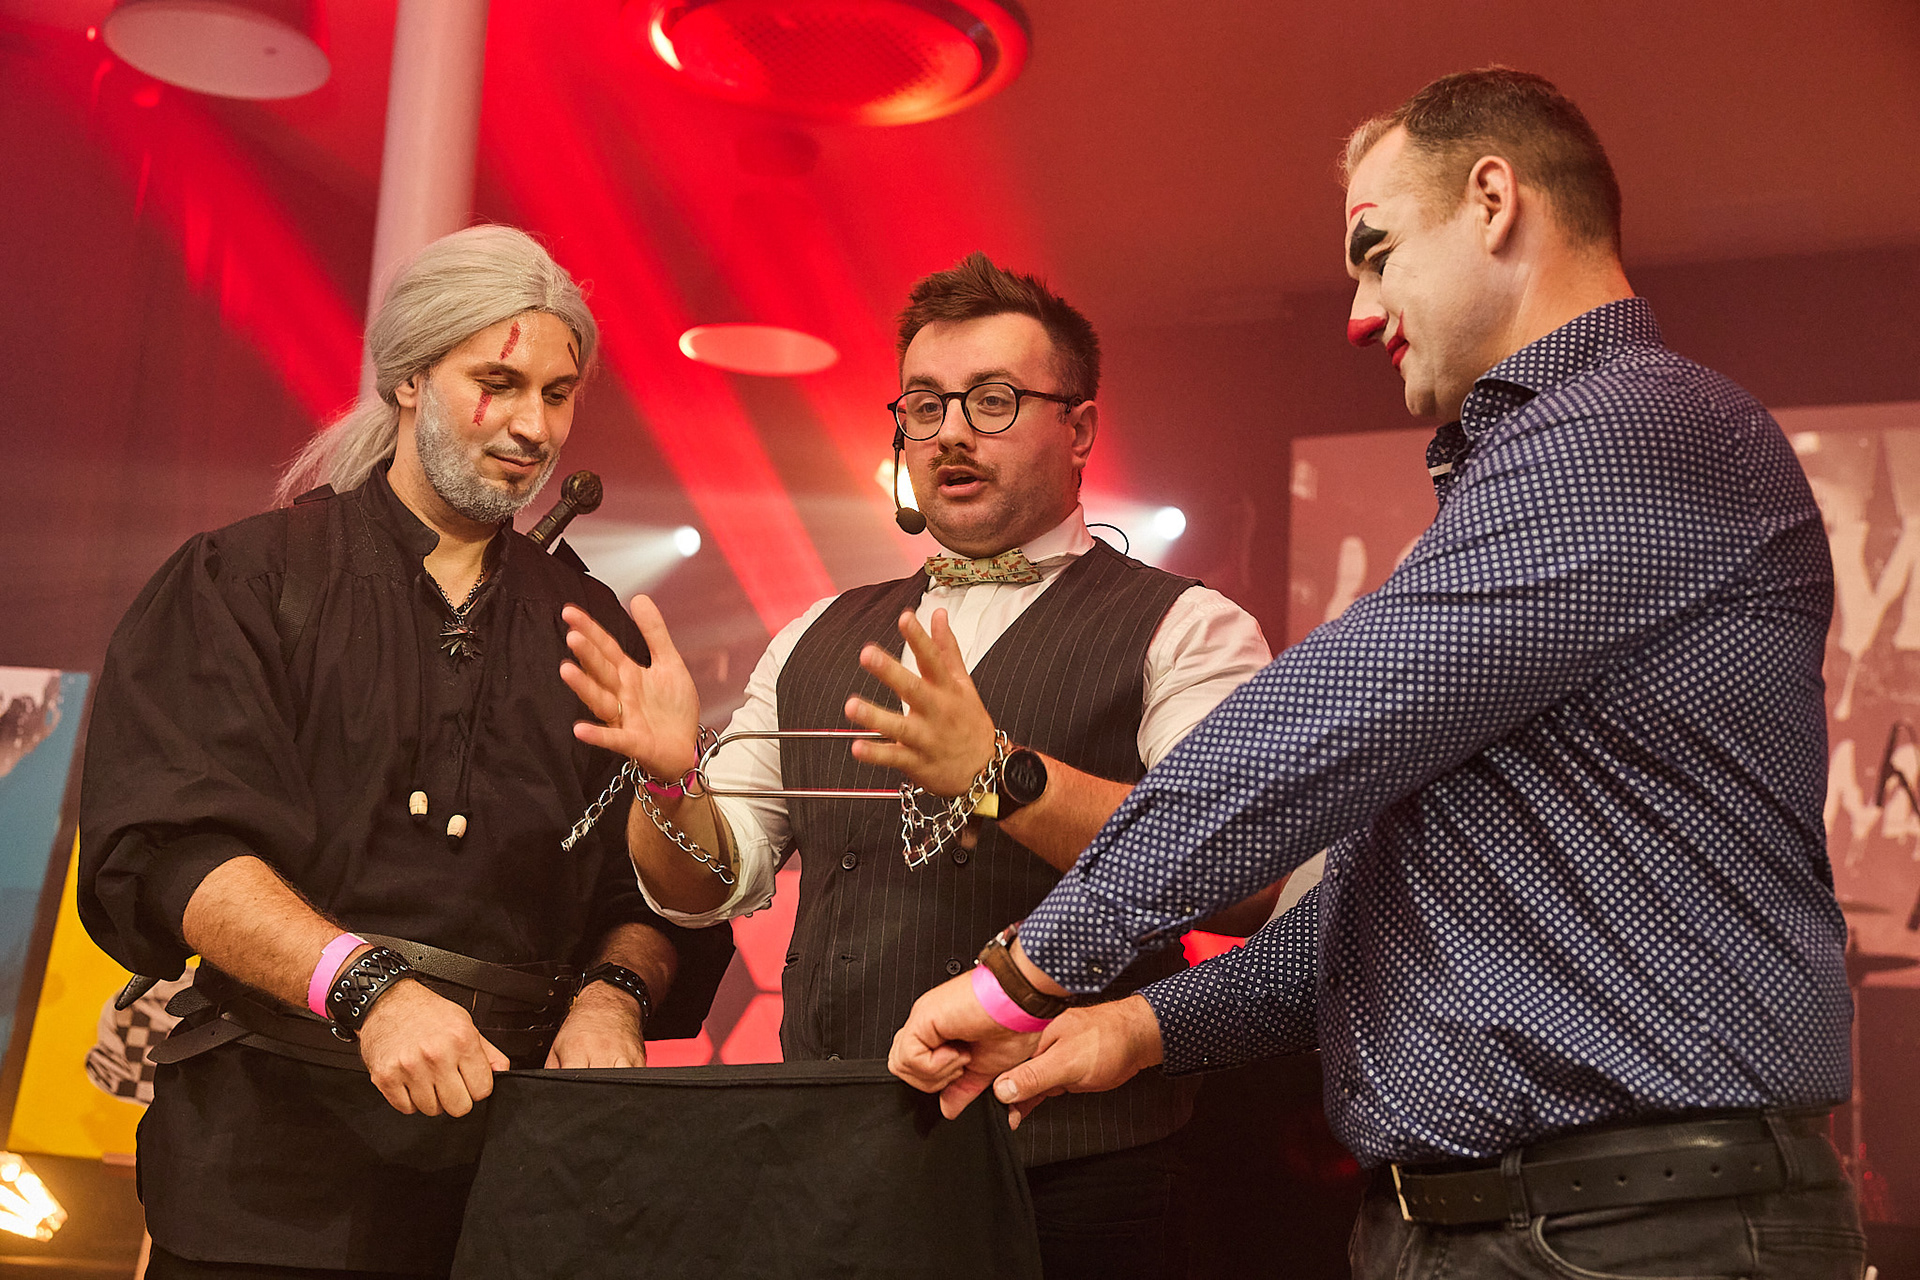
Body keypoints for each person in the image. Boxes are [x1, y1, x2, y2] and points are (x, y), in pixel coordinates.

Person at [890, 68, 1866, 1278]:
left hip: (1644, 1232)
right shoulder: (1548, 474)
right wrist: (1135, 1025)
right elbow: (1383, 910)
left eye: (1376, 252)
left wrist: (1022, 975)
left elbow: (1316, 728)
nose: (1357, 312)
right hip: (1505, 1228)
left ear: (1493, 200)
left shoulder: (1639, 428)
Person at [558, 251, 1274, 1278]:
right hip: (836, 1161)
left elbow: (1243, 880)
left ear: (1079, 429)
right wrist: (670, 784)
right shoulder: (815, 635)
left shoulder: (1188, 627)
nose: (951, 433)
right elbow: (706, 884)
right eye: (927, 405)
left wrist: (998, 775)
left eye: (994, 400)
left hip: (1076, 1168)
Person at [78, 224, 731, 1279]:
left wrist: (616, 991)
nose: (533, 426)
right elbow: (174, 851)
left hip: (512, 1194)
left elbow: (652, 901)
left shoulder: (593, 628)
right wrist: (368, 989)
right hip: (262, 1182)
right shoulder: (245, 580)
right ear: (408, 378)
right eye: (497, 382)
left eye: (558, 393)